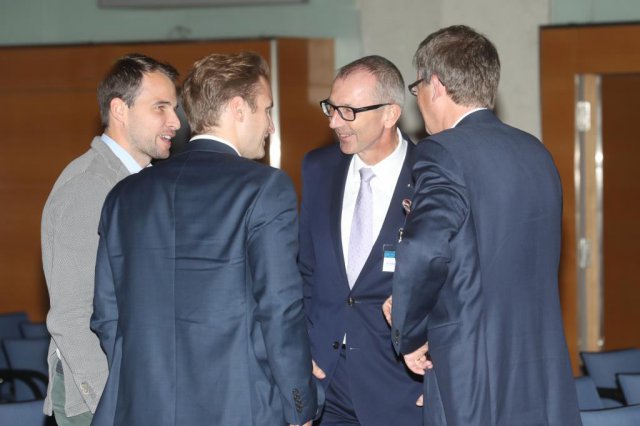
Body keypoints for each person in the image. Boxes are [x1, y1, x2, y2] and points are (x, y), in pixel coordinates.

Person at [90, 52, 320, 426]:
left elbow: (107, 314)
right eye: (266, 110)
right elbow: (279, 308)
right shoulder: (264, 188)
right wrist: (299, 404)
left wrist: (144, 378)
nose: (271, 125)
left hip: (143, 407)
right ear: (238, 109)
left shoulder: (123, 195)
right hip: (238, 408)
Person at [388, 25, 582, 425]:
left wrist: (409, 332)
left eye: (417, 88)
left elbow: (424, 250)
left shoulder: (441, 152)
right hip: (539, 367)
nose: (418, 101)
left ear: (436, 85)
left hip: (472, 370)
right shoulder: (537, 153)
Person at [41, 53, 180, 425]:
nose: (175, 122)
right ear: (120, 110)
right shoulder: (88, 187)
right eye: (161, 108)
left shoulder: (145, 183)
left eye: (174, 108)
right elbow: (72, 317)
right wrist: (114, 405)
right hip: (102, 399)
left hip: (138, 389)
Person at [299, 55, 423, 426]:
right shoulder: (317, 168)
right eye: (331, 108)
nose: (334, 122)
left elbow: (454, 283)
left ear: (390, 114)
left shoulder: (430, 175)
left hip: (400, 387)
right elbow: (305, 270)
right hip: (325, 382)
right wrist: (299, 350)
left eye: (348, 111)